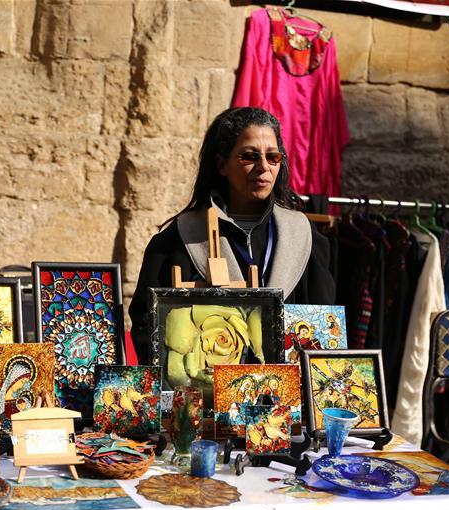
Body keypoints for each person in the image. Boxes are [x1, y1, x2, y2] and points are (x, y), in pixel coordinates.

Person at [129, 107, 336, 362]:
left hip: (286, 396)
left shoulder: (304, 237)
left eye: (273, 158)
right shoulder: (179, 240)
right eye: (249, 157)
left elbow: (324, 337)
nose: (263, 167)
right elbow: (146, 326)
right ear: (222, 164)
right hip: (206, 397)